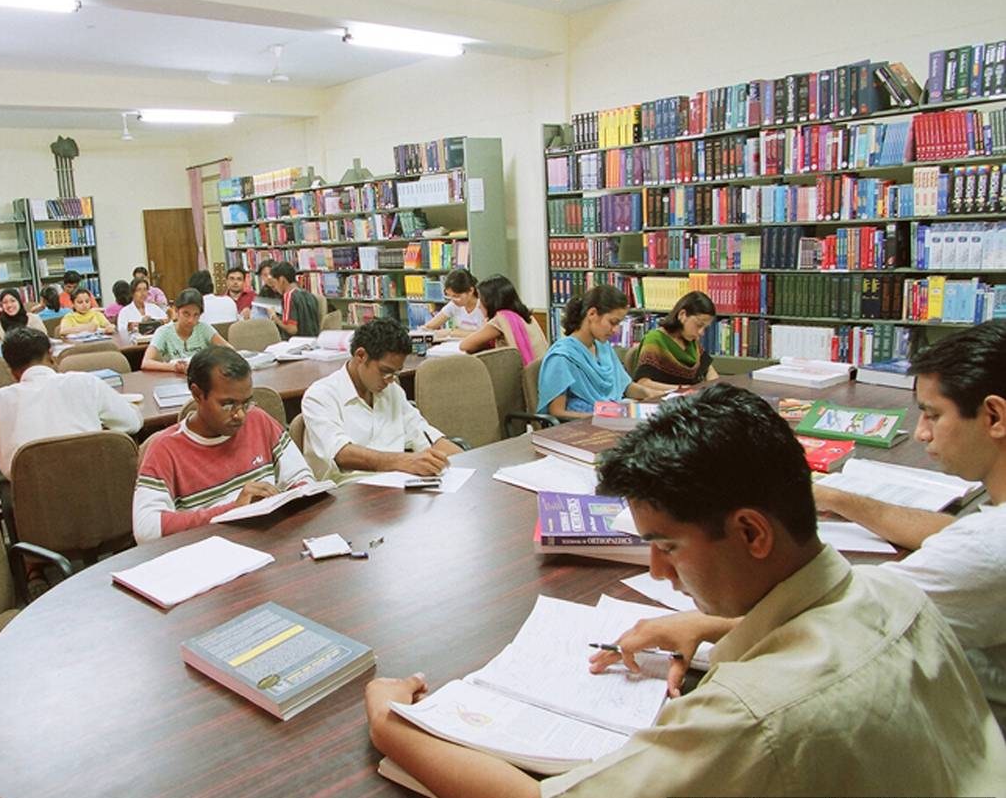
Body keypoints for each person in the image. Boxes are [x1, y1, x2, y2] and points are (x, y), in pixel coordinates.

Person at [365, 384, 1006, 797]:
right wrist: (711, 627)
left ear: (751, 532)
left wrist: (392, 723)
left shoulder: (753, 715)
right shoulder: (899, 597)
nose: (658, 572)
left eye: (668, 546)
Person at [810, 320, 1006, 730]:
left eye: (932, 415)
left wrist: (711, 624)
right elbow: (950, 533)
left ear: (994, 416)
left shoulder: (988, 546)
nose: (920, 433)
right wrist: (833, 497)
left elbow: (844, 617)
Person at [133, 346, 314, 543]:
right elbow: (146, 529)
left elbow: (301, 477)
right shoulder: (165, 448)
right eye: (228, 404)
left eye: (246, 403)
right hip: (211, 549)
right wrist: (233, 510)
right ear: (197, 394)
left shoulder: (258, 420)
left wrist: (293, 496)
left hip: (271, 540)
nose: (240, 415)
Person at [0, 328, 141, 478]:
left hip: (33, 505)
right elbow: (132, 423)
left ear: (10, 369)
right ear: (51, 355)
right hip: (98, 495)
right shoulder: (86, 383)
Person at [301, 317, 461, 482]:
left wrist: (467, 462)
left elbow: (424, 434)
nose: (390, 380)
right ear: (361, 356)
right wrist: (403, 461)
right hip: (347, 490)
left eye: (395, 373)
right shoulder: (321, 395)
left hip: (396, 484)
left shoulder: (392, 391)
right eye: (385, 371)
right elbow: (340, 454)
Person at [537, 285, 668, 419]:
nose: (616, 330)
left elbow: (625, 386)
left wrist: (651, 394)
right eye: (612, 322)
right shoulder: (562, 357)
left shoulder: (603, 347)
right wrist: (601, 417)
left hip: (610, 416)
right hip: (584, 424)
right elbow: (557, 413)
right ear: (592, 314)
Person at [633, 291, 719, 388]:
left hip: (691, 395)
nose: (701, 332)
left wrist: (715, 388)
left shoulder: (691, 342)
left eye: (705, 328)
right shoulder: (655, 340)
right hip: (666, 396)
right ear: (682, 315)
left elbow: (709, 370)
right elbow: (643, 383)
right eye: (699, 325)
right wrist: (681, 389)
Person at [457, 274, 549, 363]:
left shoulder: (501, 319)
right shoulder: (525, 315)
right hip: (538, 369)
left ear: (491, 301)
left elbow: (464, 345)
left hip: (521, 372)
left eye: (481, 300)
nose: (479, 306)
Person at [142, 289, 233, 373]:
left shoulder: (204, 328)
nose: (191, 320)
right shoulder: (164, 332)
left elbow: (230, 351)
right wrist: (174, 367)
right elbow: (146, 363)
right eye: (186, 314)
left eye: (196, 315)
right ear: (176, 311)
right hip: (173, 379)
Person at [422, 269, 486, 336]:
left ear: (470, 291)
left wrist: (452, 332)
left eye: (456, 296)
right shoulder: (453, 305)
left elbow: (485, 335)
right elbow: (429, 327)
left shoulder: (484, 306)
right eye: (449, 296)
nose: (453, 300)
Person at [266, 261, 320, 338]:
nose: (275, 288)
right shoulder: (310, 295)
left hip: (297, 342)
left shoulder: (289, 296)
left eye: (274, 283)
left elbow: (292, 329)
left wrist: (274, 317)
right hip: (314, 340)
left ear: (281, 280)